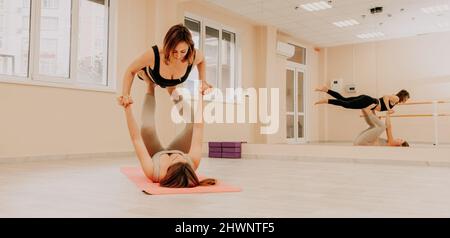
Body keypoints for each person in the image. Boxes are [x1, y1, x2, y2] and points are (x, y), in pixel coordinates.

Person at [121, 85, 216, 188]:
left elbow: (137, 140)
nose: (179, 155)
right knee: (192, 125)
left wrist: (127, 108)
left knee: (147, 127)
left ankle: (150, 86)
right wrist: (201, 96)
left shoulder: (153, 172)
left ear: (169, 170)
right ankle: (172, 90)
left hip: (155, 153)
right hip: (178, 149)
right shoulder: (193, 162)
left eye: (175, 159)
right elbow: (198, 127)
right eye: (183, 158)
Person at [118, 24, 213, 108]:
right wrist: (125, 95)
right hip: (151, 75)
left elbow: (202, 60)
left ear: (189, 47)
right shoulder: (154, 54)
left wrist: (203, 81)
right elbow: (130, 71)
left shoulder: (193, 55)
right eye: (174, 51)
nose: (178, 56)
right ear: (167, 46)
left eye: (183, 51)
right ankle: (149, 83)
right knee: (150, 86)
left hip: (171, 83)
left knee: (185, 111)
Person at [315, 85, 410, 113]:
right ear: (403, 96)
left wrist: (374, 111)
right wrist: (389, 109)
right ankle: (327, 100)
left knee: (344, 100)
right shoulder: (397, 98)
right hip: (368, 101)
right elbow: (385, 96)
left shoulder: (396, 101)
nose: (406, 100)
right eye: (406, 98)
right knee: (346, 104)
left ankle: (327, 90)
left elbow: (380, 104)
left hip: (368, 101)